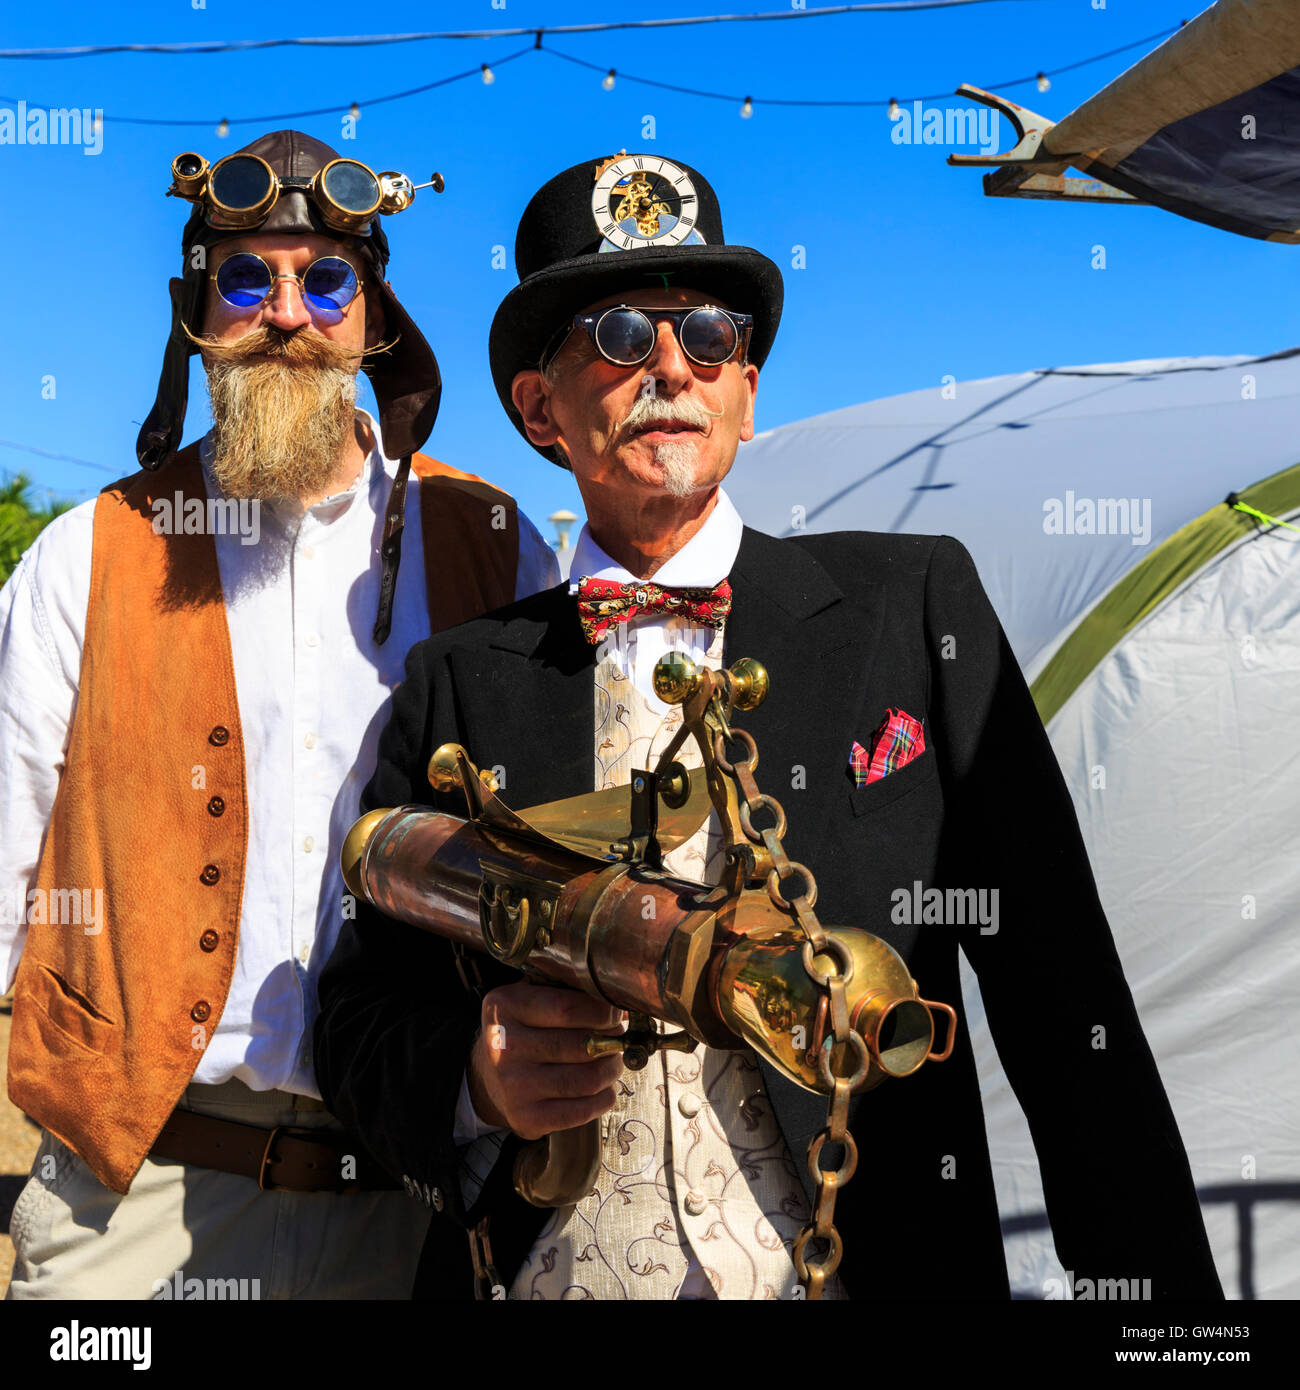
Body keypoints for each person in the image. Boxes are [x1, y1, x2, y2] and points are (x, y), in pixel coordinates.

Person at [313, 153, 1224, 1301]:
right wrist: (473, 1077)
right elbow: (354, 1018)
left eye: (707, 331)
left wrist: (1167, 1312)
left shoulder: (914, 605)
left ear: (747, 387)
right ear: (541, 407)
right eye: (616, 335)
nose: (671, 369)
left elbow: (1061, 989)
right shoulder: (458, 680)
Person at [0, 129, 558, 1300]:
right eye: (246, 278)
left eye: (326, 280)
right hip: (134, 1199)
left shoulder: (497, 547)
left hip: (416, 1188)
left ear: (374, 316)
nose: (287, 312)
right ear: (198, 310)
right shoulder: (83, 557)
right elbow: (9, 879)